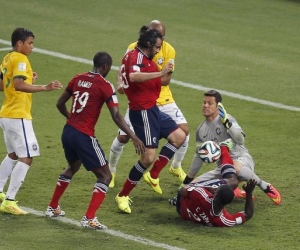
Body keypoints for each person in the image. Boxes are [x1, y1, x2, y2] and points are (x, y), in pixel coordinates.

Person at [44, 51, 145, 229]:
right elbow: (116, 115)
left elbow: (59, 103)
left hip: (68, 131)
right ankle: (89, 218)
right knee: (105, 176)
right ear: (105, 66)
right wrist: (134, 136)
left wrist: (71, 118)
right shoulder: (105, 85)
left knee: (73, 166)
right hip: (83, 135)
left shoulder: (78, 78)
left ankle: (52, 207)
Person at [109, 20, 189, 189]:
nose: (159, 44)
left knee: (183, 133)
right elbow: (125, 70)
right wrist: (120, 84)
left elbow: (166, 80)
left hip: (162, 98)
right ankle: (111, 170)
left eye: (161, 38)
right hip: (141, 101)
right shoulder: (134, 49)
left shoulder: (169, 50)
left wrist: (152, 77)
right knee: (125, 137)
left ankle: (170, 169)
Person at [0, 28, 63, 215]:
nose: (32, 47)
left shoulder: (7, 58)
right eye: (30, 43)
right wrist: (44, 87)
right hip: (18, 115)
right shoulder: (20, 59)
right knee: (27, 157)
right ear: (19, 43)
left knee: (12, 155)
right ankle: (9, 201)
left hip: (6, 114)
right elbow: (18, 85)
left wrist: (29, 78)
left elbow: (3, 85)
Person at [182, 90, 282, 205]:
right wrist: (189, 179)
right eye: (204, 102)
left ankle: (265, 186)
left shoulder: (227, 119)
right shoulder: (201, 130)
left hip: (242, 160)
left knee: (235, 167)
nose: (205, 106)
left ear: (218, 106)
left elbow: (241, 140)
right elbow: (199, 155)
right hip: (222, 168)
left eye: (210, 103)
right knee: (192, 187)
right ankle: (234, 190)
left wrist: (227, 123)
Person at [173, 141, 257, 227]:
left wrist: (208, 188)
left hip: (181, 205)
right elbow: (248, 214)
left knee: (232, 181)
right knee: (233, 182)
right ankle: (224, 149)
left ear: (215, 193)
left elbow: (182, 190)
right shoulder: (224, 220)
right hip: (183, 213)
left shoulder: (201, 195)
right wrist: (249, 193)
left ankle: (224, 148)